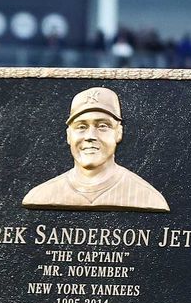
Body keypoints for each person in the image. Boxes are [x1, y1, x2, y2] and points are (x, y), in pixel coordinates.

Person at [23, 87, 169, 211]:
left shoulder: (147, 198)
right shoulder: (41, 195)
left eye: (102, 126)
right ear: (68, 135)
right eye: (81, 127)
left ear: (118, 133)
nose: (90, 136)